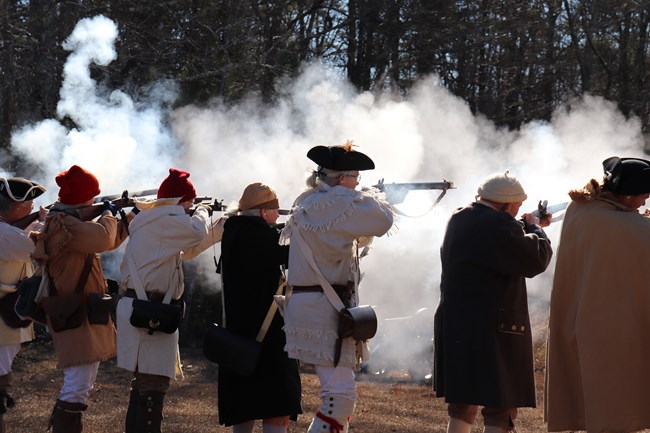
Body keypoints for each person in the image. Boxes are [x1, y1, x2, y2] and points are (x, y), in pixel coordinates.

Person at [280, 141, 394, 433]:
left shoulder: (308, 200)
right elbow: (383, 220)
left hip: (314, 303)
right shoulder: (342, 202)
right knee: (340, 395)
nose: (359, 184)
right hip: (325, 306)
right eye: (355, 177)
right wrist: (371, 196)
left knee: (338, 393)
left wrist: (358, 193)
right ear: (342, 179)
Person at [433, 170, 553, 433]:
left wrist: (524, 225)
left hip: (458, 321)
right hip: (494, 326)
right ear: (508, 205)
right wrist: (533, 227)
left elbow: (498, 240)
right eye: (517, 206)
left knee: (463, 400)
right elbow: (537, 258)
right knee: (501, 404)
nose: (518, 210)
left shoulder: (460, 217)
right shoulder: (500, 226)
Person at [545, 156, 650, 433]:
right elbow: (637, 236)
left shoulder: (581, 210)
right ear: (626, 195)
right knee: (612, 408)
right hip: (611, 329)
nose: (644, 203)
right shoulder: (617, 225)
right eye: (643, 196)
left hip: (585, 320)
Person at [117, 168, 223, 433]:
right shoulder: (165, 219)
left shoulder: (154, 219)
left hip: (144, 308)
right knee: (153, 385)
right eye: (188, 203)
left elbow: (186, 251)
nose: (190, 208)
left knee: (145, 383)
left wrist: (217, 229)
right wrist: (203, 210)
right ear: (180, 201)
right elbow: (196, 233)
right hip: (150, 310)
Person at [31, 165, 133, 433]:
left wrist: (129, 217)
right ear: (83, 199)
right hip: (74, 313)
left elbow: (108, 240)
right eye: (92, 198)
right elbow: (101, 237)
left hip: (80, 311)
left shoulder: (67, 222)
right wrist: (109, 212)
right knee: (77, 385)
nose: (94, 202)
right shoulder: (64, 224)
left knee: (80, 385)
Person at [217, 182, 302, 433]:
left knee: (244, 403)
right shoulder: (259, 236)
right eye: (274, 210)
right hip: (268, 333)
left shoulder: (234, 231)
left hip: (238, 333)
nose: (277, 215)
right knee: (276, 403)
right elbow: (293, 255)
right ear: (264, 212)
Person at [0, 177, 46, 432]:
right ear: (16, 208)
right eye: (28, 203)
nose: (31, 207)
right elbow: (41, 248)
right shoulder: (6, 233)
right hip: (3, 320)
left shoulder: (8, 230)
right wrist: (44, 222)